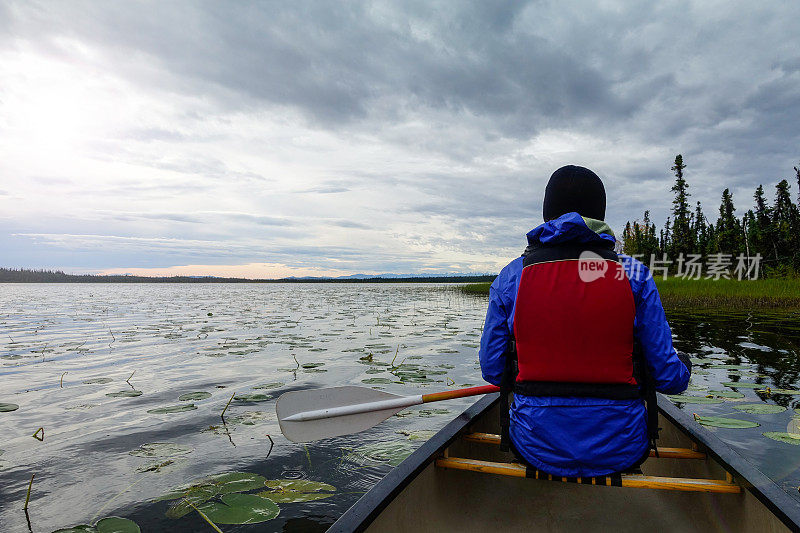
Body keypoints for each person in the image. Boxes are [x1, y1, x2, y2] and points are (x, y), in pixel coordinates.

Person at [479, 165, 691, 478]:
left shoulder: (512, 277)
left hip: (533, 445)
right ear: (600, 214)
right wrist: (683, 364)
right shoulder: (634, 275)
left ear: (547, 213)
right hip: (623, 446)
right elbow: (670, 381)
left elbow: (493, 371)